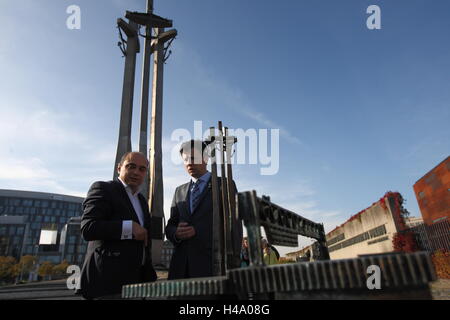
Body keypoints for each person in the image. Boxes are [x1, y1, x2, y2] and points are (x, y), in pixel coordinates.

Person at [79, 152, 157, 299]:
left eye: (142, 169)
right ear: (119, 168)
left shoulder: (141, 201)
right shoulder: (103, 189)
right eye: (131, 166)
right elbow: (88, 228)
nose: (136, 172)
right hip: (108, 284)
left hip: (137, 283)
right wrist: (128, 227)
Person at [165, 140, 243, 279]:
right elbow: (171, 225)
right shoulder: (179, 191)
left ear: (206, 158)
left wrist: (198, 231)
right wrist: (176, 233)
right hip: (181, 269)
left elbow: (233, 225)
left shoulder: (224, 185)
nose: (189, 163)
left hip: (212, 267)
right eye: (185, 159)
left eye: (193, 158)